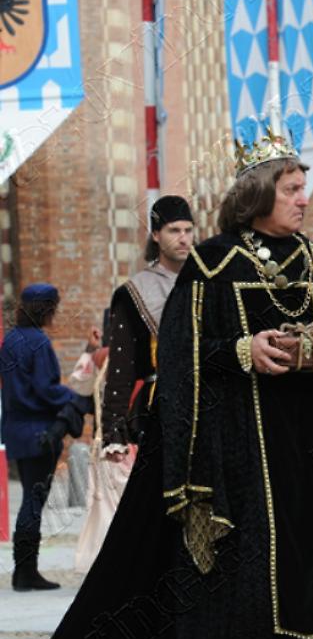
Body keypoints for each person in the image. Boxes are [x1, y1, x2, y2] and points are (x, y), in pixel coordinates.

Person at [0, 131, 313, 639]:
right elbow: (182, 357)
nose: (302, 200)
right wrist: (242, 350)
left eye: (302, 189)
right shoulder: (213, 263)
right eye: (291, 189)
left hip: (309, 448)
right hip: (241, 445)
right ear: (260, 192)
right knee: (252, 565)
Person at [100, 195, 194, 459]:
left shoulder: (208, 283)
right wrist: (113, 430)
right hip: (158, 410)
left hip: (210, 407)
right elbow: (121, 367)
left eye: (188, 230)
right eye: (174, 230)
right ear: (156, 235)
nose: (183, 238)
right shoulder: (133, 293)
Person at [0, 284, 80, 591]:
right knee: (34, 502)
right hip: (40, 433)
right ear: (48, 309)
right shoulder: (38, 343)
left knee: (29, 501)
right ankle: (25, 573)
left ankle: (25, 571)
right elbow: (47, 390)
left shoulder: (12, 340)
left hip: (17, 431)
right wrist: (74, 396)